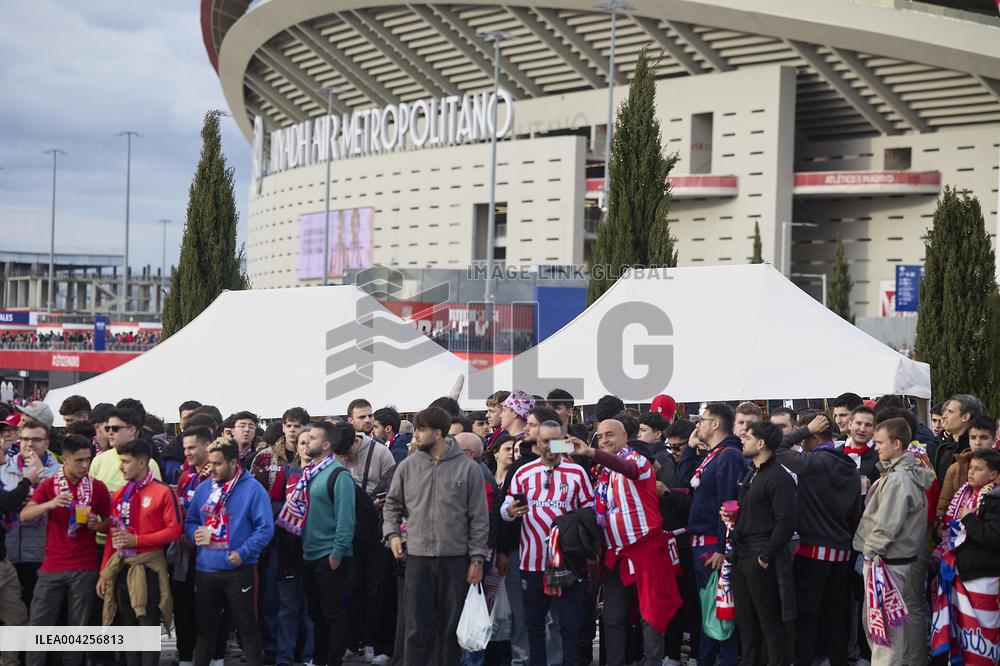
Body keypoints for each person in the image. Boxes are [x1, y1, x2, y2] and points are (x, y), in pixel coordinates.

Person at [384, 406, 489, 666]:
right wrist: (393, 534)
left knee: (450, 630)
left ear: (438, 433)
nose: (415, 435)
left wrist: (476, 559)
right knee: (415, 628)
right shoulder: (408, 466)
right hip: (417, 558)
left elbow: (479, 517)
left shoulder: (468, 469)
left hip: (456, 560)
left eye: (421, 430)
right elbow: (392, 504)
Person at [572, 420, 681, 666]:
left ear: (624, 435)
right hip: (615, 553)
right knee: (612, 616)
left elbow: (627, 468)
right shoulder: (603, 473)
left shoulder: (638, 460)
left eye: (610, 435)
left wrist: (591, 452)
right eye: (600, 437)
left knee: (651, 615)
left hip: (646, 548)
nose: (605, 440)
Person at [501, 419, 594, 666]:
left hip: (569, 563)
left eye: (556, 441)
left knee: (569, 626)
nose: (550, 447)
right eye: (545, 441)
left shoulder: (577, 472)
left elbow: (590, 511)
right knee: (534, 625)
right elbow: (505, 507)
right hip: (532, 562)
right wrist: (510, 511)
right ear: (536, 442)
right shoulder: (523, 472)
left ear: (563, 440)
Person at [776, 410, 861, 666]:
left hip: (813, 550)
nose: (800, 443)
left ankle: (804, 660)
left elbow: (777, 447)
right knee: (836, 615)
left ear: (811, 435)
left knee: (808, 615)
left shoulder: (812, 463)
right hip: (842, 549)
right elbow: (855, 513)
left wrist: (804, 429)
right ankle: (838, 660)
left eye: (804, 438)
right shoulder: (850, 467)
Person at [19, 434, 111, 666]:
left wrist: (96, 524)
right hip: (51, 566)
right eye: (78, 460)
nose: (84, 466)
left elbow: (111, 522)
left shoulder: (97, 487)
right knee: (39, 628)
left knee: (77, 632)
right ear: (65, 459)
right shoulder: (51, 485)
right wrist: (50, 504)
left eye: (87, 460)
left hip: (85, 566)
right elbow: (24, 515)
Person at [184, 438, 274, 666]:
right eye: (210, 463)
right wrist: (194, 533)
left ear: (234, 463)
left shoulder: (253, 489)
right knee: (205, 631)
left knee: (248, 628)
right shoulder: (204, 487)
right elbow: (191, 519)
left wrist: (243, 553)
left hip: (239, 569)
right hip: (206, 569)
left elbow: (265, 528)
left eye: (217, 464)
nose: (211, 469)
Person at [853, 417, 935, 665]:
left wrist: (870, 551)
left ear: (897, 444)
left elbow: (887, 524)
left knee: (884, 633)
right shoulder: (903, 474)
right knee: (892, 629)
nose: (875, 446)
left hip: (887, 564)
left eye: (880, 442)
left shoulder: (899, 479)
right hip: (896, 561)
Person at [97, 439, 181, 666]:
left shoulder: (162, 492)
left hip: (150, 570)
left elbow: (174, 531)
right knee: (128, 628)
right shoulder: (121, 494)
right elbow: (113, 538)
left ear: (142, 462)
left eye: (125, 461)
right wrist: (105, 572)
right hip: (123, 567)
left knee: (147, 628)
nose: (121, 467)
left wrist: (137, 540)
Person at [280, 421, 356, 666]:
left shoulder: (338, 474)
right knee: (317, 613)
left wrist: (337, 553)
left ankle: (333, 660)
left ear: (326, 445)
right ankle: (319, 658)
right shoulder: (311, 473)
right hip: (309, 554)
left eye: (312, 438)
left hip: (330, 556)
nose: (305, 441)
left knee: (333, 614)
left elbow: (346, 520)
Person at [678, 402, 744, 666]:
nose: (699, 424)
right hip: (701, 544)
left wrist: (722, 549)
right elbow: (686, 484)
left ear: (716, 423)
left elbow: (729, 505)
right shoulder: (713, 454)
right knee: (709, 610)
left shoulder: (728, 455)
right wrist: (689, 448)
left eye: (703, 420)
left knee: (721, 611)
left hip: (711, 546)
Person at [727, 421, 797, 666]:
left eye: (747, 437)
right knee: (746, 623)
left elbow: (786, 522)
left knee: (770, 623)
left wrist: (765, 556)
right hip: (743, 554)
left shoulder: (779, 477)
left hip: (761, 557)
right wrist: (732, 517)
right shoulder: (752, 473)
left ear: (761, 443)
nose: (742, 440)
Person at [931, 448, 1000, 664]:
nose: (971, 473)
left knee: (984, 631)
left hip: (984, 576)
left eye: (978, 469)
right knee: (963, 630)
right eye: (970, 468)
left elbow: (993, 537)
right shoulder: (965, 494)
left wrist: (969, 520)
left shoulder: (994, 500)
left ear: (994, 475)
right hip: (963, 572)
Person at [341, 404, 397, 663]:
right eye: (361, 416)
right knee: (351, 589)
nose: (367, 420)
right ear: (350, 420)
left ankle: (376, 644)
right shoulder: (338, 451)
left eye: (369, 416)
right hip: (349, 535)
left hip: (375, 533)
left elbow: (394, 492)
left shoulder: (382, 453)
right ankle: (353, 641)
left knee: (376, 590)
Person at [169, 425, 221, 666]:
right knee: (183, 606)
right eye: (184, 448)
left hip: (210, 552)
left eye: (192, 447)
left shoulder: (218, 473)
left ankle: (216, 657)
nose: (187, 452)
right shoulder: (186, 474)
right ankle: (186, 656)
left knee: (211, 609)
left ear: (207, 446)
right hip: (184, 551)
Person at [1, 420, 61, 608]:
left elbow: (65, 505)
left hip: (41, 552)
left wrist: (40, 478)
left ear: (46, 443)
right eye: (25, 439)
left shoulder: (58, 472)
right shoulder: (3, 469)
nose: (30, 444)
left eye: (36, 439)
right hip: (8, 551)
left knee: (37, 610)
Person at [269, 428, 315, 666]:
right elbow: (273, 502)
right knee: (287, 607)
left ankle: (309, 656)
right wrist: (289, 509)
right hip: (288, 547)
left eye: (310, 442)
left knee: (310, 608)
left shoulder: (325, 473)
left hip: (314, 548)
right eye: (301, 442)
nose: (306, 447)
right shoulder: (288, 472)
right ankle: (284, 656)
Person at [0, 452, 38, 666]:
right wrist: (27, 481)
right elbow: (9, 501)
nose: (4, 450)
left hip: (4, 561)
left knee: (17, 617)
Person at [936, 415, 996, 525]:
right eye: (973, 437)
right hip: (955, 534)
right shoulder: (955, 469)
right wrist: (939, 529)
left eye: (983, 438)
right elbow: (943, 506)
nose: (977, 443)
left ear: (994, 440)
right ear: (968, 440)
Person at [935, 394, 985, 482]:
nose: (943, 416)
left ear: (965, 417)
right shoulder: (943, 447)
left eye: (950, 412)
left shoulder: (977, 450)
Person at [840, 405, 879, 489]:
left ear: (874, 429)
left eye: (868, 425)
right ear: (850, 425)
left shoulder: (879, 455)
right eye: (858, 423)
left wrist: (872, 489)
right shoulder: (836, 453)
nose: (862, 429)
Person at [638, 411, 676, 486]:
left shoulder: (664, 460)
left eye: (643, 430)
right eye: (638, 430)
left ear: (658, 434)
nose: (638, 434)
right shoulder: (640, 454)